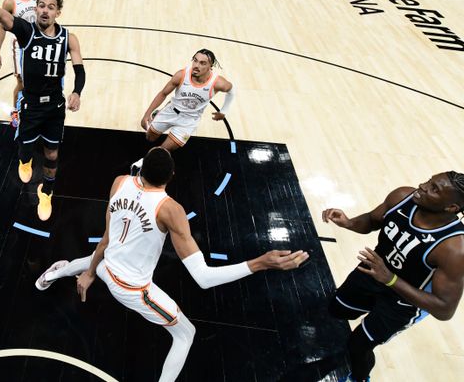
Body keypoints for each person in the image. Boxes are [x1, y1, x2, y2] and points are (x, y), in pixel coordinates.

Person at [36, 147, 309, 382]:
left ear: (141, 169)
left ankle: (54, 273)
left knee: (90, 262)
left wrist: (89, 272)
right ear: (171, 177)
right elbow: (203, 278)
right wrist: (260, 263)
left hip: (106, 262)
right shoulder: (170, 210)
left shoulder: (120, 182)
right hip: (133, 290)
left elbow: (105, 240)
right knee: (186, 334)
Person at [322, 172, 464, 382]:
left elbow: (444, 309)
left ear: (452, 208)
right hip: (374, 272)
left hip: (404, 301)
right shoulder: (402, 197)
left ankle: (359, 379)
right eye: (429, 180)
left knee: (358, 345)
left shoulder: (454, 249)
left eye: (434, 189)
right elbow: (372, 220)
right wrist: (349, 223)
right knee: (337, 308)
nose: (422, 186)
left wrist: (390, 279)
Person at [0, 0, 84, 221]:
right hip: (30, 104)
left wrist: (77, 92)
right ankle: (25, 161)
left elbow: (80, 70)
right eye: (41, 5)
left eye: (51, 7)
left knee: (52, 154)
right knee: (25, 148)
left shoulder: (68, 38)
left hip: (54, 107)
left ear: (58, 12)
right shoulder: (26, 31)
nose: (45, 10)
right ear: (36, 8)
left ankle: (47, 191)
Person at [131, 48, 235, 173]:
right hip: (171, 111)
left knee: (163, 150)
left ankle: (142, 165)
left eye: (202, 63)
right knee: (150, 138)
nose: (196, 65)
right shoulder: (181, 75)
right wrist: (146, 115)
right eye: (195, 61)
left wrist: (224, 111)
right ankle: (157, 114)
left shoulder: (218, 83)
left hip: (189, 121)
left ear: (210, 66)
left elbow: (231, 91)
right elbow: (163, 93)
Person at [0, 0, 36, 128]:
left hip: (35, 44)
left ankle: (31, 106)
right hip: (19, 46)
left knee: (35, 78)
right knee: (21, 81)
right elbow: (1, 27)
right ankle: (15, 111)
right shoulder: (10, 2)